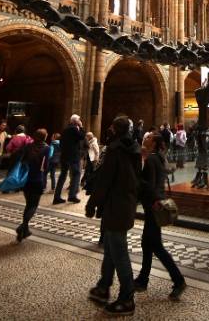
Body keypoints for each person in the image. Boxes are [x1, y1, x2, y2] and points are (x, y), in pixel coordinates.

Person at [87, 116, 142, 315]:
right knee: (111, 248)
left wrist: (92, 203)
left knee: (119, 253)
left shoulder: (115, 150)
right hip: (126, 204)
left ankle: (127, 298)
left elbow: (105, 180)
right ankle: (103, 286)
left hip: (115, 206)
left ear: (115, 129)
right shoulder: (134, 147)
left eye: (111, 126)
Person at [133, 133, 186, 299]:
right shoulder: (156, 158)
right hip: (153, 205)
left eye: (148, 138)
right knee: (146, 243)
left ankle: (179, 281)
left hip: (154, 205)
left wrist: (154, 199)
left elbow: (152, 183)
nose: (145, 139)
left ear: (154, 143)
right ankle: (142, 279)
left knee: (156, 246)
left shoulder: (152, 159)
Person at [16, 129, 48, 242]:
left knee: (28, 204)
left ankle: (25, 230)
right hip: (38, 179)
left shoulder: (28, 146)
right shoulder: (47, 148)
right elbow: (46, 167)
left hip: (27, 179)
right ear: (44, 137)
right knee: (33, 205)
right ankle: (23, 226)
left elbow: (21, 159)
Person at [53, 114, 85, 204]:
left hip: (64, 156)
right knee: (76, 174)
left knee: (62, 175)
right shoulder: (74, 129)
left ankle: (57, 197)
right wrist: (81, 126)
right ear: (76, 121)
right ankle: (72, 195)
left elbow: (62, 143)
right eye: (79, 120)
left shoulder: (65, 129)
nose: (80, 121)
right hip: (73, 156)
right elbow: (82, 136)